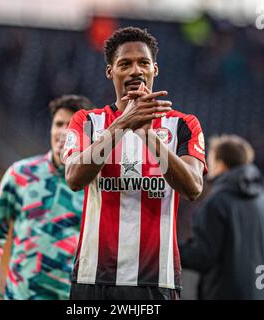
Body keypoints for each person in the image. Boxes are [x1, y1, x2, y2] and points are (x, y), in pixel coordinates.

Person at [63, 27, 207, 300]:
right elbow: (74, 177)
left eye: (143, 63)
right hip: (94, 279)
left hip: (156, 281)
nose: (135, 71)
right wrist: (122, 125)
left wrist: (148, 135)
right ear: (110, 72)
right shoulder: (87, 121)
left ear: (155, 69)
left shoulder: (183, 124)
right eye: (124, 64)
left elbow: (193, 186)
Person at [0, 95, 94, 300]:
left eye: (72, 125)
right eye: (58, 124)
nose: (64, 132)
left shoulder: (97, 188)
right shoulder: (20, 174)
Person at [179, 134, 264, 299]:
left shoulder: (217, 202)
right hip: (261, 294)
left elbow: (202, 256)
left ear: (220, 163)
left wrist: (171, 249)